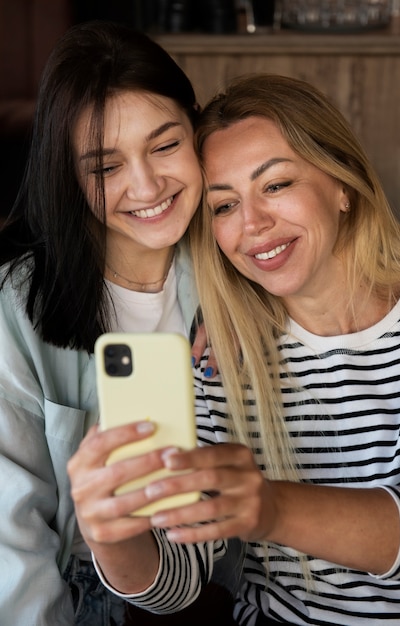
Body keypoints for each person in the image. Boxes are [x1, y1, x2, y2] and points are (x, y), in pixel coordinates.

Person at [67, 74, 400, 625]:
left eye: (275, 185)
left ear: (342, 183)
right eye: (223, 206)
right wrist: (113, 536)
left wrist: (271, 509)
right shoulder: (221, 360)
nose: (253, 225)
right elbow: (177, 584)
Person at [0, 19, 219, 626]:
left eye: (165, 144)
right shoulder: (13, 311)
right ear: (68, 176)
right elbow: (11, 538)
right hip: (85, 598)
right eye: (105, 167)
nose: (146, 185)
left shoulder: (244, 271)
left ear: (196, 127)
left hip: (229, 589)